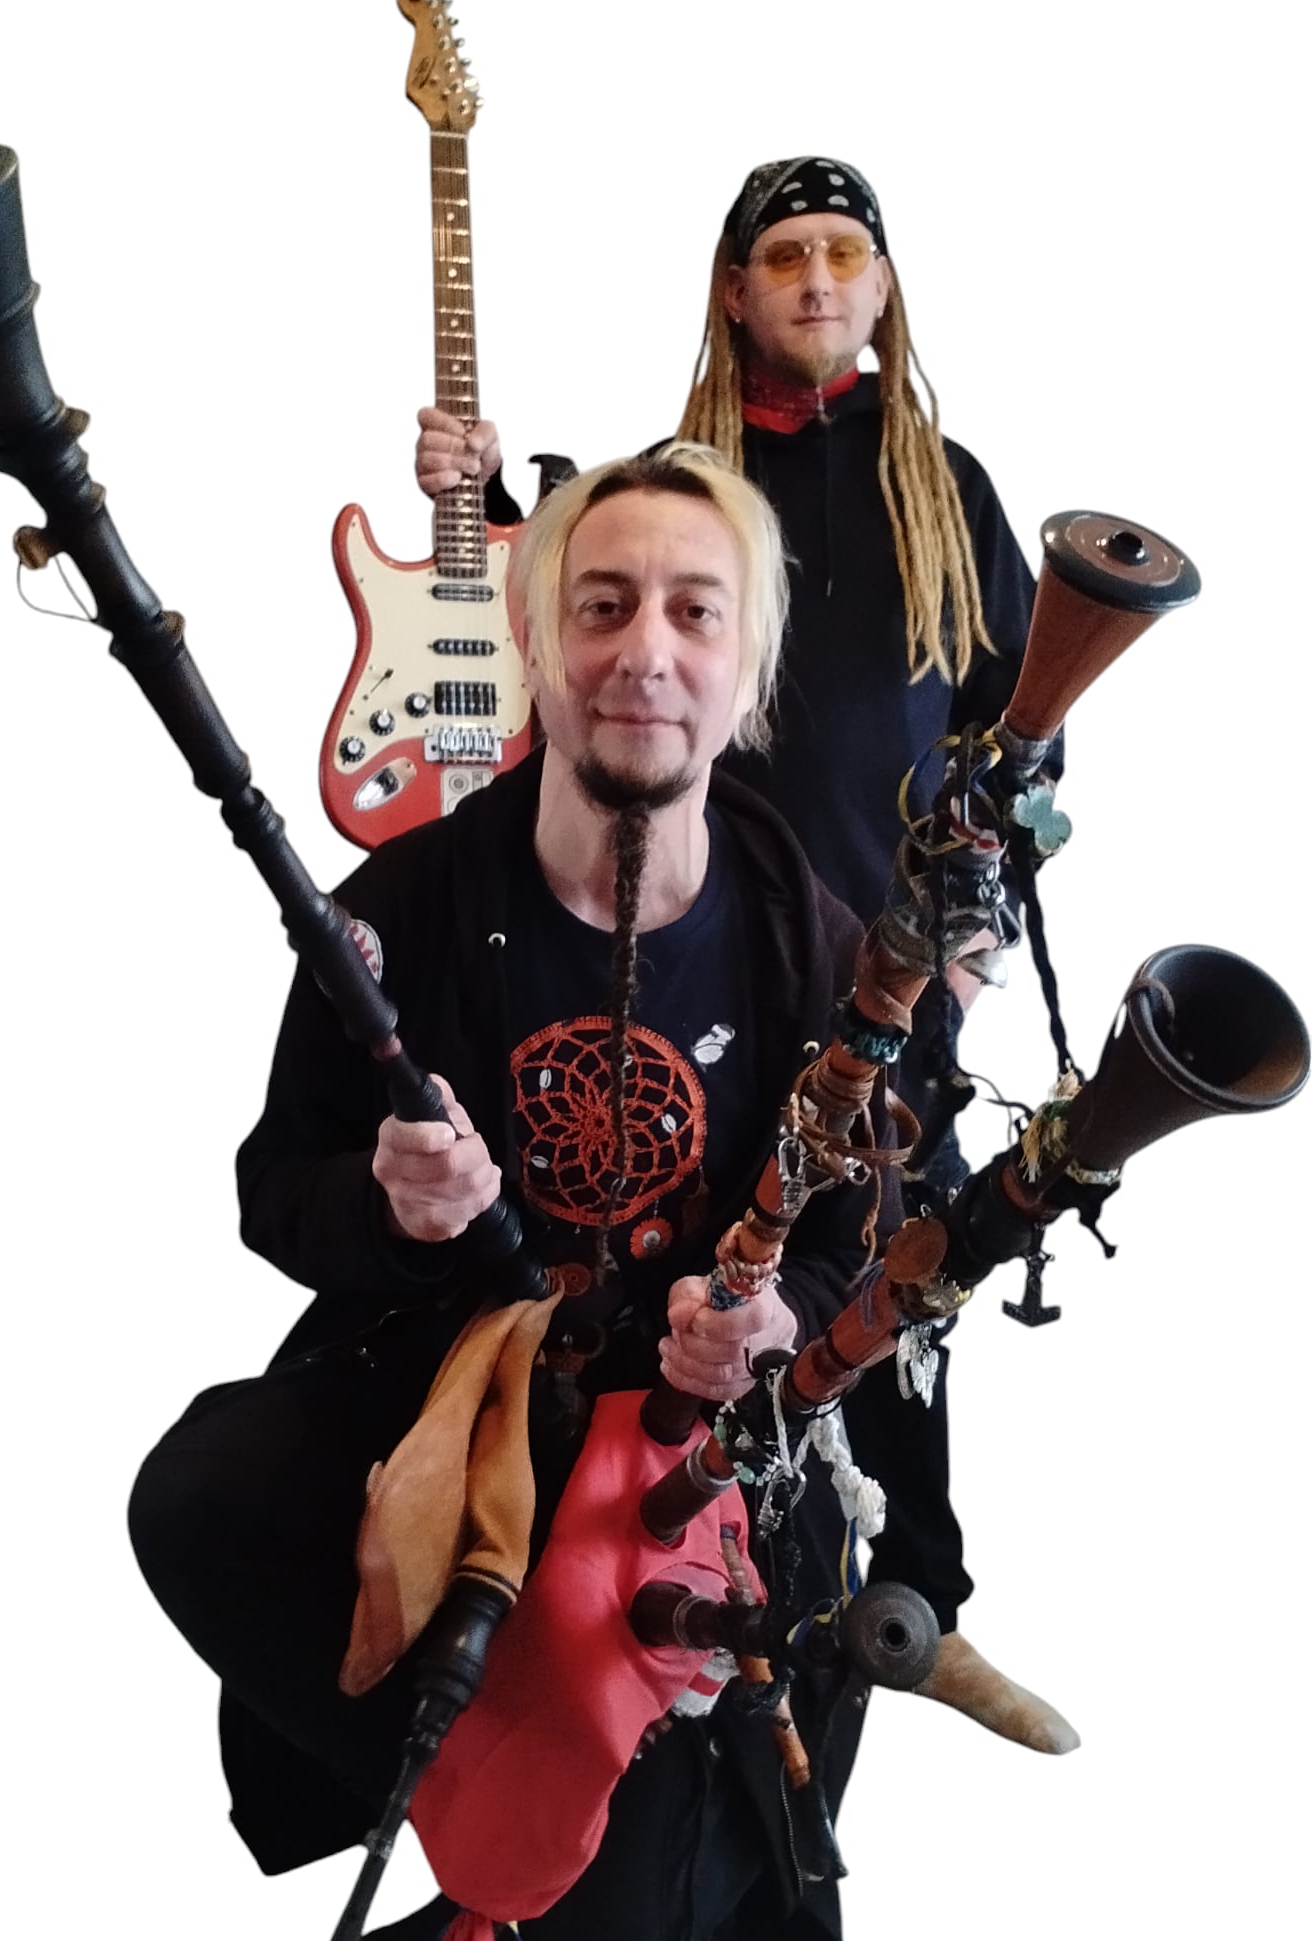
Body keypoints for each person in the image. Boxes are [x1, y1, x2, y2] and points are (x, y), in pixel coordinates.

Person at [130, 442, 903, 1941]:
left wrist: (776, 1321)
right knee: (200, 1500)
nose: (645, 653)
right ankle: (485, 1812)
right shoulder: (398, 903)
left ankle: (533, 1858)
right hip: (453, 1378)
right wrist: (388, 1210)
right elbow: (276, 1188)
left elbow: (856, 1234)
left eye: (694, 612)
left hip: (678, 1441)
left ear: (747, 670)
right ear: (537, 644)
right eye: (601, 606)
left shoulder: (813, 943)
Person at [414, 155, 1075, 1755]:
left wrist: (963, 955)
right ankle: (634, 1625)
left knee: (895, 1279)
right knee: (684, 1280)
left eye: (847, 252)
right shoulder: (694, 489)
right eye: (786, 255)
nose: (820, 279)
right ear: (735, 290)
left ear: (884, 284)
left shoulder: (948, 490)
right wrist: (480, 501)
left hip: (898, 972)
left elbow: (1025, 734)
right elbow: (582, 624)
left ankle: (915, 1606)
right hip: (724, 956)